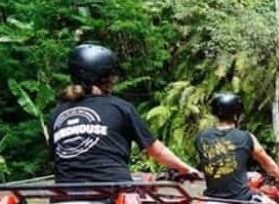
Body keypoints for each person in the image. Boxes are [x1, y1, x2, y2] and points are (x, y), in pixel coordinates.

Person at [50, 44, 199, 183]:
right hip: (113, 193)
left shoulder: (57, 114)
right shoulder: (119, 107)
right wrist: (185, 168)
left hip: (65, 193)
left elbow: (58, 156)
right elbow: (156, 151)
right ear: (104, 78)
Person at [195, 93, 279, 200]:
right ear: (236, 116)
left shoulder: (201, 137)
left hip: (211, 198)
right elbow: (267, 163)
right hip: (240, 198)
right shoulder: (246, 137)